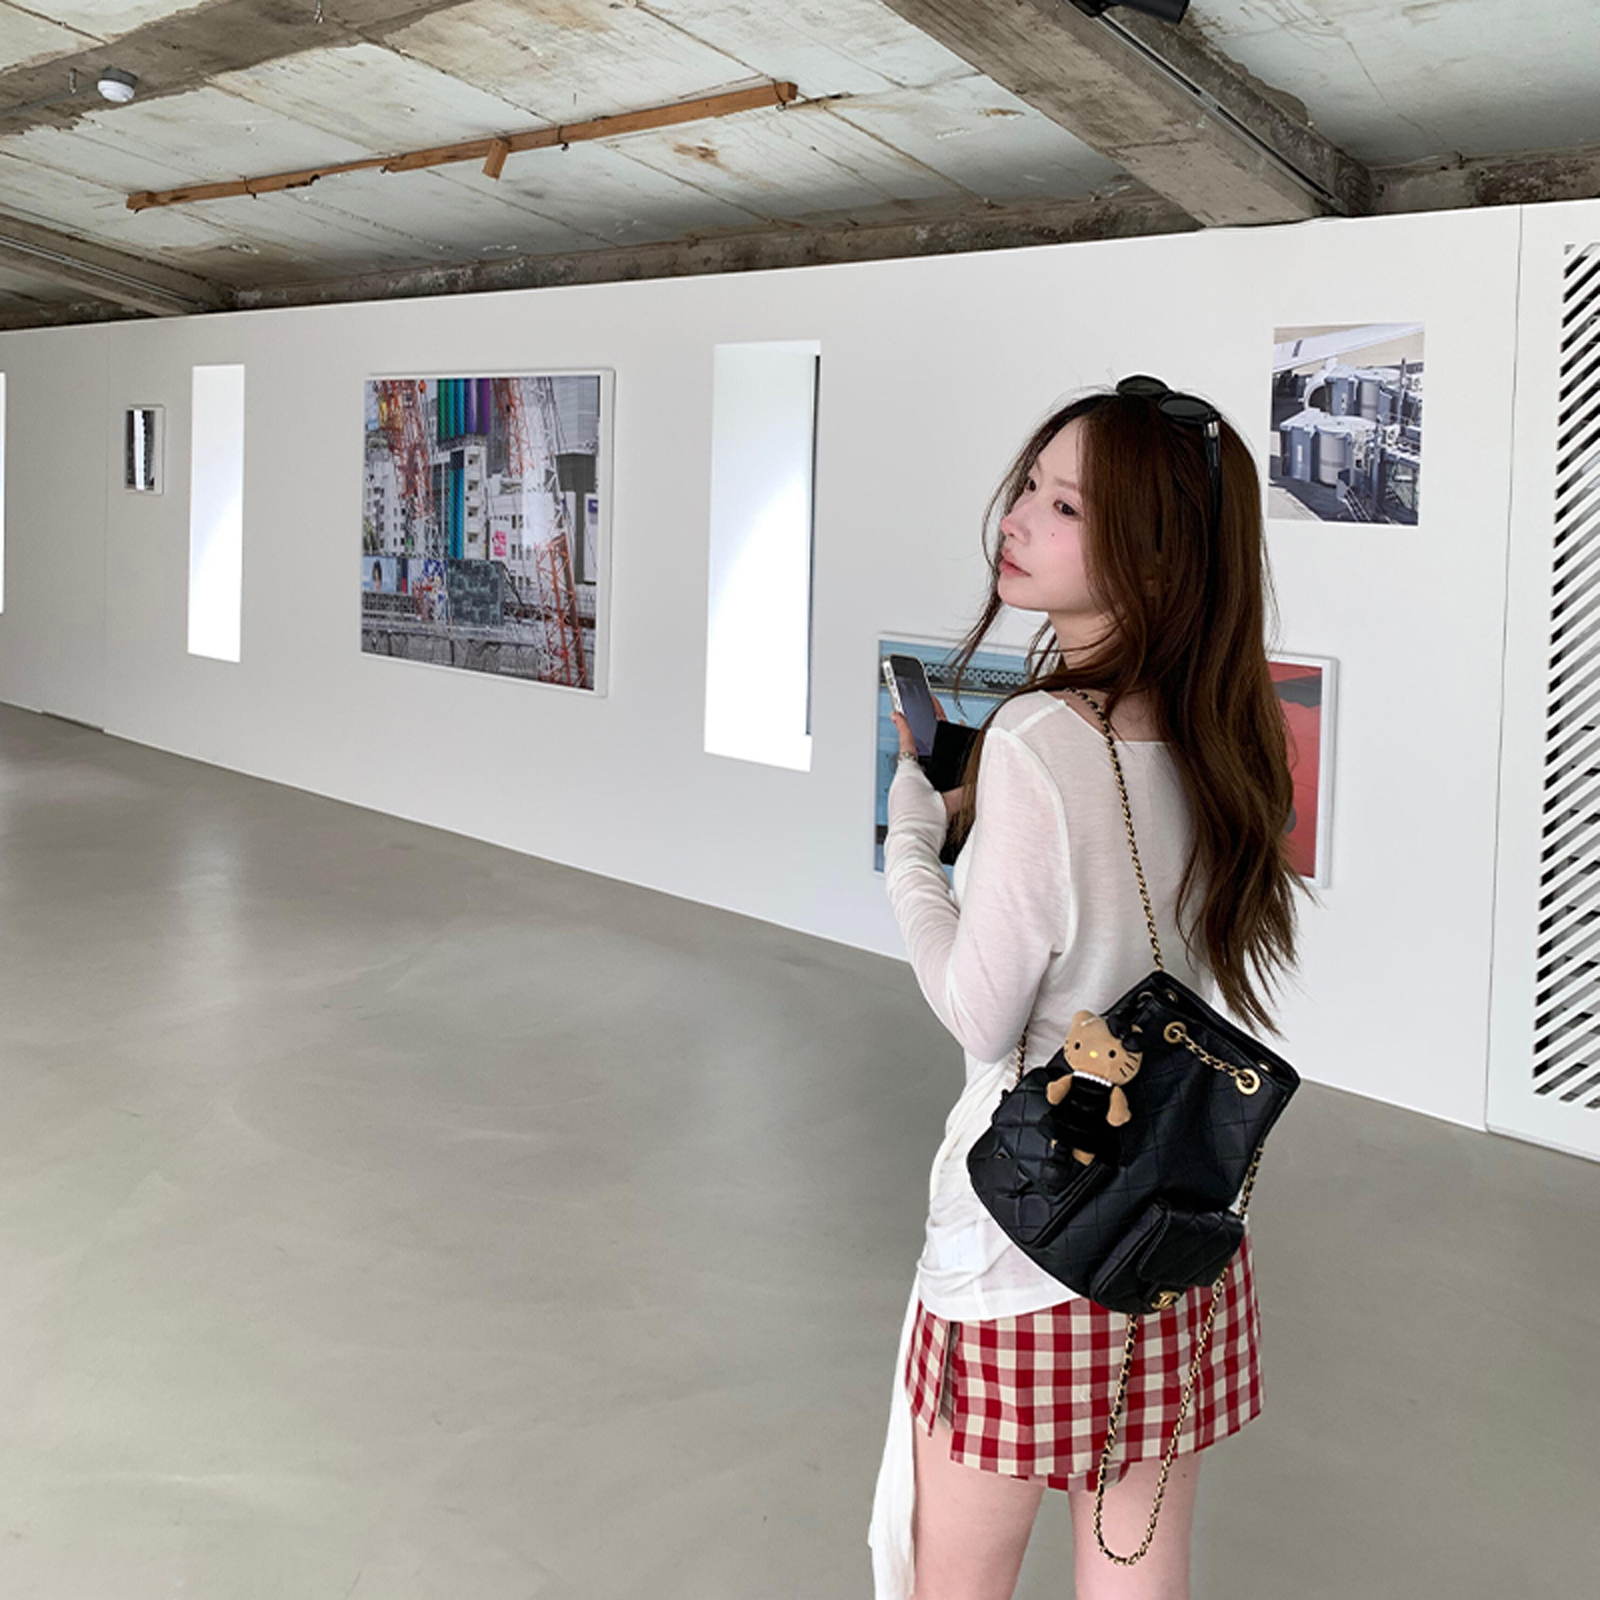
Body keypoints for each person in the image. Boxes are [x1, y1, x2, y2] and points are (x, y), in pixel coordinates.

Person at [868, 378, 1312, 1600]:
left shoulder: (1037, 740)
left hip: (1026, 1234)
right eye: (1029, 485)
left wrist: (914, 843)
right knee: (1135, 1569)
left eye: (1064, 505)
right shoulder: (1225, 730)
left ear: (1156, 556)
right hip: (1170, 1226)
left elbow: (981, 1013)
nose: (1016, 518)